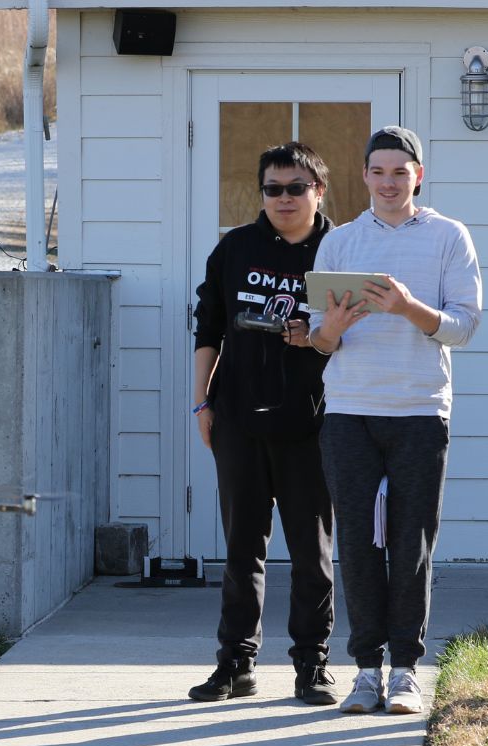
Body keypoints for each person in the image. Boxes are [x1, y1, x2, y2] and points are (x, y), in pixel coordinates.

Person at [307, 126, 482, 714]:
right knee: (356, 545)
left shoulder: (449, 236)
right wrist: (332, 330)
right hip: (349, 411)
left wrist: (407, 307)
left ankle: (406, 669)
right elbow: (320, 341)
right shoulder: (340, 242)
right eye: (378, 172)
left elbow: (462, 327)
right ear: (364, 176)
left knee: (411, 543)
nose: (388, 183)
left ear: (418, 177)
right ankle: (364, 671)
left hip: (418, 409)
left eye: (400, 173)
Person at [189, 141, 338, 706]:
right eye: (272, 188)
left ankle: (312, 666)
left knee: (311, 551)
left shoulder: (339, 248)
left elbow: (363, 334)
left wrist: (318, 336)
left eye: (295, 188)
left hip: (313, 423)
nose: (283, 198)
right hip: (239, 419)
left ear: (318, 191)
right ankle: (235, 664)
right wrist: (203, 404)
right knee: (240, 547)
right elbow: (210, 328)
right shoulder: (236, 248)